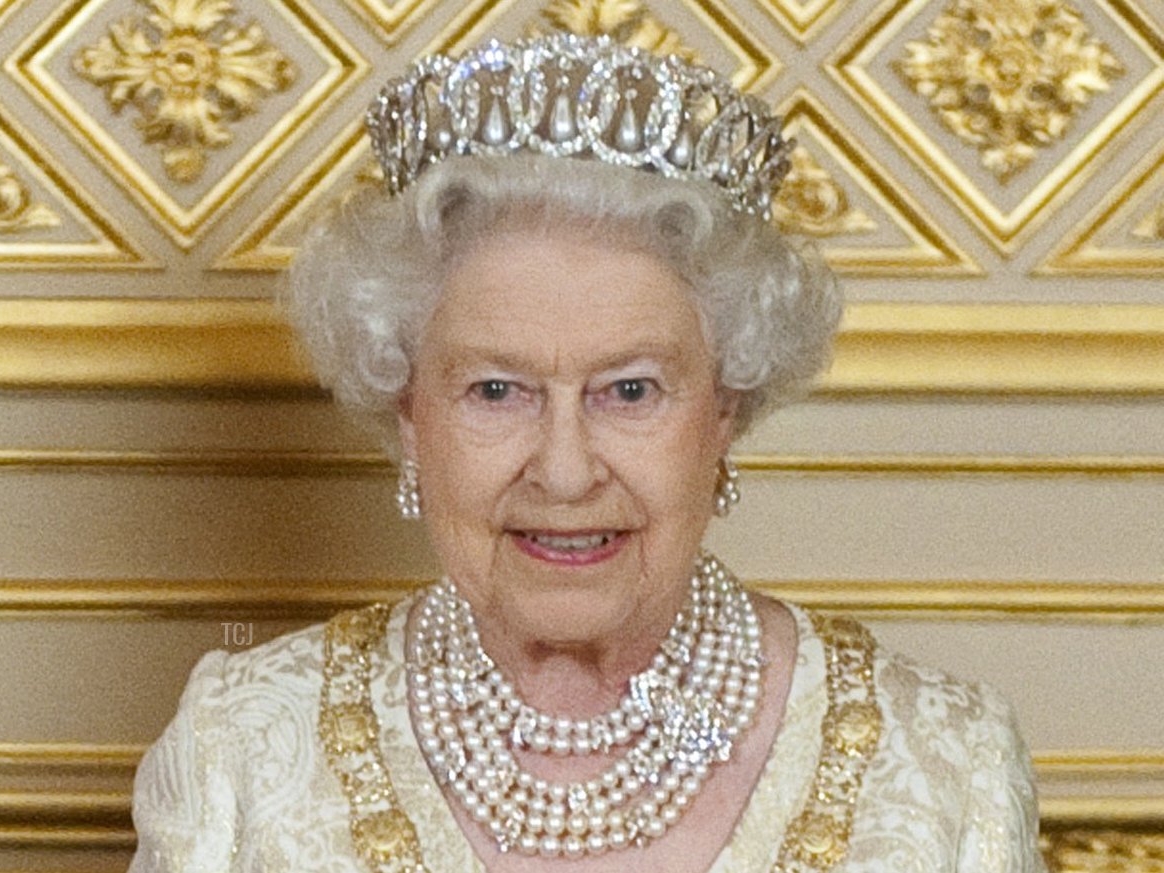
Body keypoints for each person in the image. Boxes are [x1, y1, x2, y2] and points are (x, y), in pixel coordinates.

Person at [129, 34, 1047, 872]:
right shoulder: (241, 750)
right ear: (410, 415)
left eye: (630, 391)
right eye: (497, 390)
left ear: (723, 411)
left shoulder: (942, 762)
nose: (565, 472)